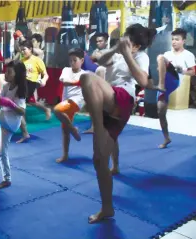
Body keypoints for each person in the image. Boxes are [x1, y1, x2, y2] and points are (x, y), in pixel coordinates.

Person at [78, 24, 157, 223]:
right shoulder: (118, 54)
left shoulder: (141, 56)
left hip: (122, 98)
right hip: (109, 105)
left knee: (87, 78)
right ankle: (107, 208)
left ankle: (96, 127)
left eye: (126, 39)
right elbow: (100, 62)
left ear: (136, 45)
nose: (122, 40)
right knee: (99, 160)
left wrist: (128, 53)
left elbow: (144, 81)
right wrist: (116, 49)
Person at [155, 28, 195, 148]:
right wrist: (161, 69)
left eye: (177, 39)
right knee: (160, 111)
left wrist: (182, 70)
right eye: (172, 39)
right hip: (165, 82)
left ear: (183, 41)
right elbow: (159, 69)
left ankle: (160, 86)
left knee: (160, 57)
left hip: (175, 80)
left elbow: (194, 72)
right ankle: (167, 137)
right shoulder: (168, 54)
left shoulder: (188, 55)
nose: (174, 42)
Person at [0, 61, 27, 189]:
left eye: (9, 72)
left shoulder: (20, 89)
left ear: (17, 75)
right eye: (6, 71)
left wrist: (10, 104)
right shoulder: (6, 86)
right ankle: (7, 179)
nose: (6, 74)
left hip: (12, 121)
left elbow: (22, 112)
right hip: (4, 119)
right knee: (1, 151)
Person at [54, 48, 85, 163]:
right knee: (65, 130)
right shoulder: (66, 70)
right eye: (70, 60)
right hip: (66, 101)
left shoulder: (84, 74)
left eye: (74, 60)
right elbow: (64, 82)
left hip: (77, 101)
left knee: (56, 110)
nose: (72, 63)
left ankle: (73, 129)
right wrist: (76, 83)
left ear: (82, 60)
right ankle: (65, 155)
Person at [16, 40, 50, 143]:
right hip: (23, 84)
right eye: (21, 50)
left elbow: (46, 74)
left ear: (30, 49)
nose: (22, 52)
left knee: (19, 105)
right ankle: (46, 109)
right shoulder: (21, 59)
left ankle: (25, 132)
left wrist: (43, 80)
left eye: (24, 50)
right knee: (30, 102)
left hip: (31, 83)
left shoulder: (37, 60)